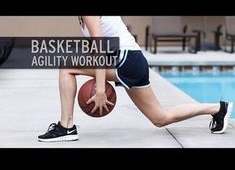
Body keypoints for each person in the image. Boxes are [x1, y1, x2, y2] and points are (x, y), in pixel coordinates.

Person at [38, 16, 233, 142]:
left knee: (66, 65)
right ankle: (218, 108)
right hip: (133, 61)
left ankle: (66, 126)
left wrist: (99, 89)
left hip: (127, 60)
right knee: (160, 118)